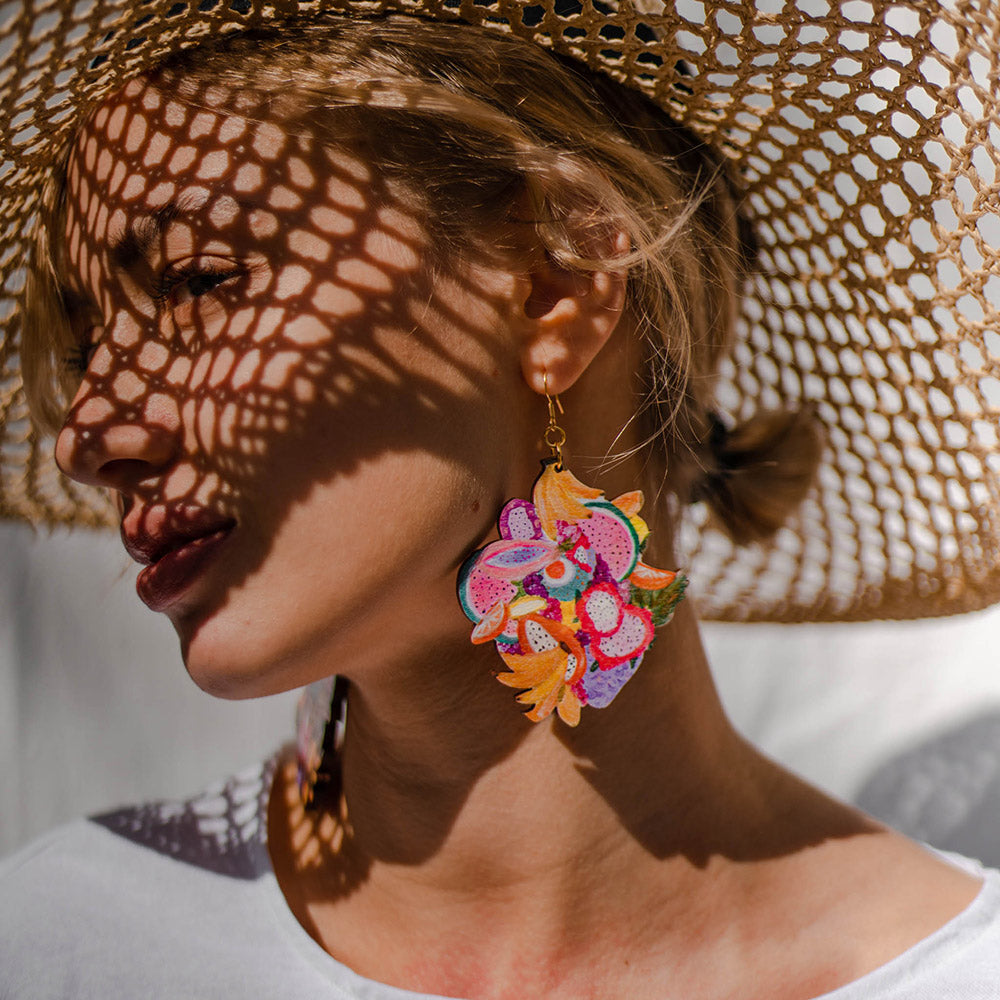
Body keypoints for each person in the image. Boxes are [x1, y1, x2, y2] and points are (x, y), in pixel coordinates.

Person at [2, 3, 1000, 998]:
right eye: (90, 349)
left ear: (551, 283)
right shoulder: (64, 945)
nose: (90, 436)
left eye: (196, 282)